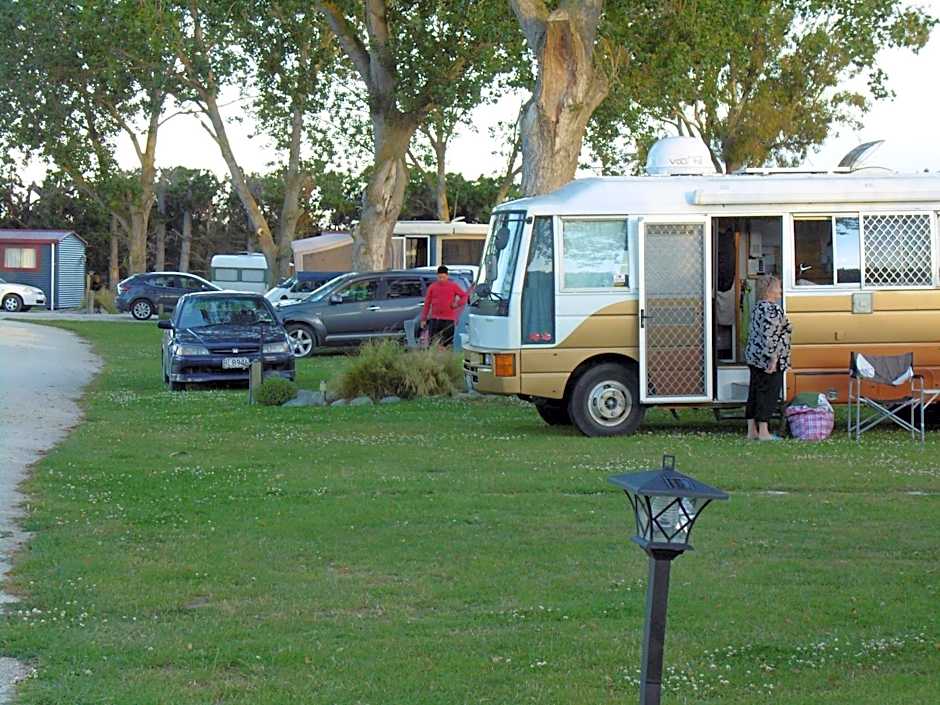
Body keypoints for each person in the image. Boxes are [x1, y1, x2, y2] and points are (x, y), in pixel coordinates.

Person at [743, 275, 792, 440]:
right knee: (768, 393)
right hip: (768, 359)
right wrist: (773, 358)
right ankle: (764, 431)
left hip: (753, 357)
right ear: (770, 290)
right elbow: (770, 336)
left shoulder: (758, 307)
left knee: (755, 392)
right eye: (778, 287)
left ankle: (752, 430)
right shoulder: (772, 309)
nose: (781, 290)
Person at [419, 265, 468, 347]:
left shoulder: (453, 286)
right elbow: (427, 304)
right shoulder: (432, 287)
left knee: (447, 343)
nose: (441, 279)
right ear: (437, 276)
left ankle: (446, 356)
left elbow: (464, 296)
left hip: (448, 319)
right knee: (432, 342)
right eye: (439, 277)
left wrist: (457, 304)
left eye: (443, 277)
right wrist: (423, 319)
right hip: (435, 319)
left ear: (447, 276)